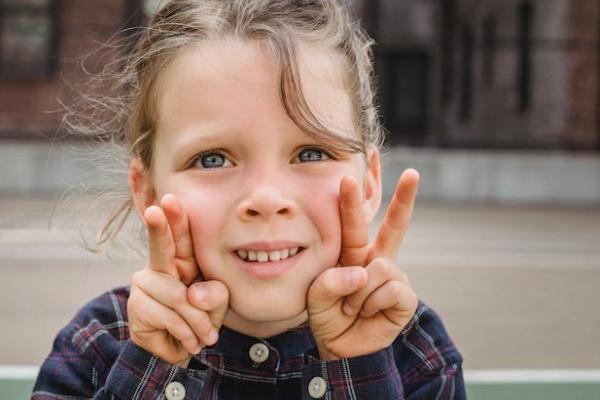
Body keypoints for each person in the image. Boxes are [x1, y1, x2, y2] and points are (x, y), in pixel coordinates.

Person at [32, 0, 464, 398]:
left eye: (311, 153)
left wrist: (361, 367)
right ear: (147, 191)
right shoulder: (97, 344)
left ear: (369, 184)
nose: (266, 198)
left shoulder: (415, 352)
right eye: (212, 159)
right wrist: (152, 368)